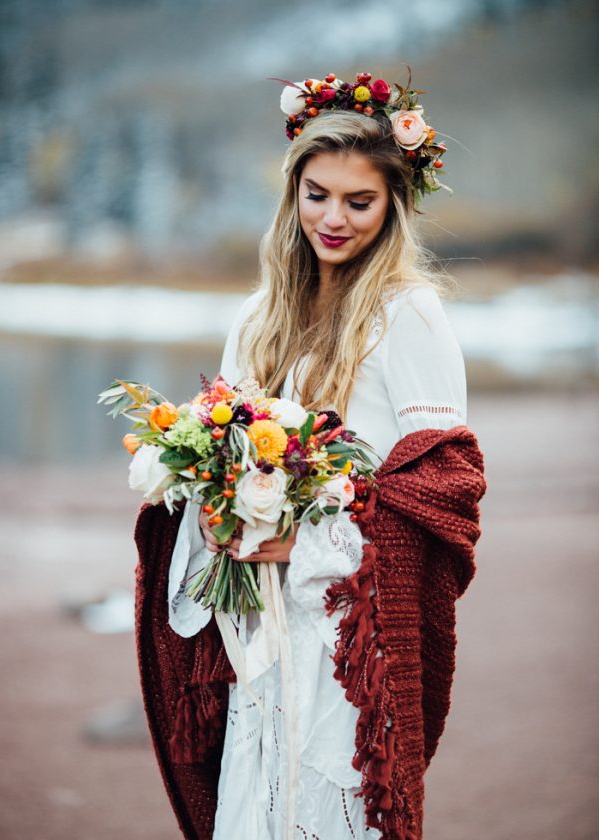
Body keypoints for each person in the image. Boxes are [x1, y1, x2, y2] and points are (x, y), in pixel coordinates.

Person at [135, 72, 486, 840]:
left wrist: (314, 535)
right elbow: (219, 451)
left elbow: (443, 491)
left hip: (345, 634)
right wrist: (215, 512)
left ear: (394, 206)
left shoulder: (408, 314)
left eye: (359, 202)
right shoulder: (260, 317)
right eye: (316, 194)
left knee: (329, 810)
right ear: (292, 191)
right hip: (257, 628)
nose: (333, 218)